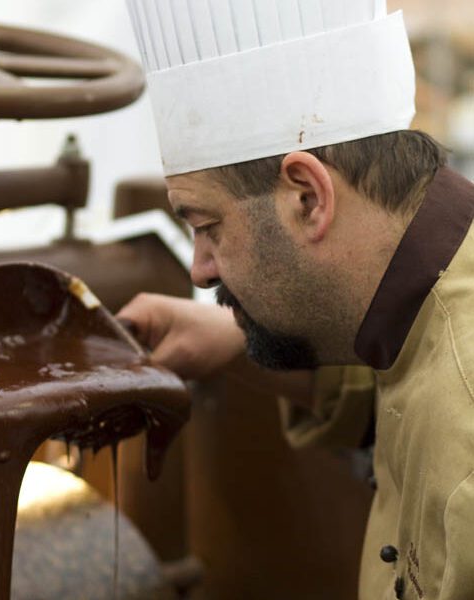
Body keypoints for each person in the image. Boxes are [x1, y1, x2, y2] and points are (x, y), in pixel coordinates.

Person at [121, 1, 474, 598]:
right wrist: (236, 336)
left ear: (308, 197)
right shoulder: (428, 291)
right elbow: (397, 389)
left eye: (207, 227)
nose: (201, 271)